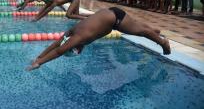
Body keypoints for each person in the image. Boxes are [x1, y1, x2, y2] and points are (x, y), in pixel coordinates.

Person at [27, 7, 171, 71]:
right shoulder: (72, 31)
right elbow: (56, 43)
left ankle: (163, 42)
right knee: (139, 27)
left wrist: (39, 63)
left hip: (115, 20)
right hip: (110, 12)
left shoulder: (79, 37)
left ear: (74, 46)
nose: (80, 50)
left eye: (77, 50)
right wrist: (38, 57)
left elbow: (59, 50)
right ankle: (155, 32)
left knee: (141, 32)